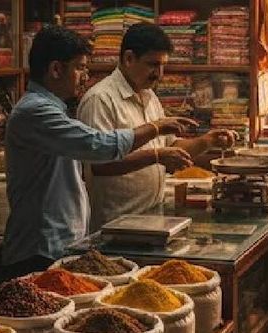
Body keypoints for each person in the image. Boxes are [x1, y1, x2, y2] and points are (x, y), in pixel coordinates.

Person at [2, 26, 195, 280]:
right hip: (39, 250)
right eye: (80, 68)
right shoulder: (36, 112)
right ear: (56, 69)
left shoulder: (54, 109)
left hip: (60, 243)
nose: (85, 76)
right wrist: (156, 128)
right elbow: (100, 146)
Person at [78, 23, 237, 229]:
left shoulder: (149, 95)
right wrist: (156, 156)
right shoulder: (100, 100)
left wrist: (207, 141)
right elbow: (100, 165)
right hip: (115, 224)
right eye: (152, 64)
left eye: (163, 65)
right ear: (128, 58)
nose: (159, 74)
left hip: (152, 216)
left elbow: (171, 146)